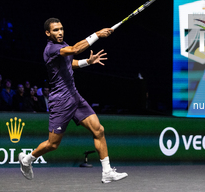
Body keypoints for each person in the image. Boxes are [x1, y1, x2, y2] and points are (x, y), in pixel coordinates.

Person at [18, 17, 128, 183]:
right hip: (60, 101)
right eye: (56, 30)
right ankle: (27, 160)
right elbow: (76, 49)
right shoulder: (51, 49)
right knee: (52, 144)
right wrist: (98, 34)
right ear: (48, 33)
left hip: (74, 96)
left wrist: (88, 62)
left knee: (99, 130)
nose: (60, 32)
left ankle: (107, 172)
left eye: (61, 28)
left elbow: (71, 62)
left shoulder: (63, 46)